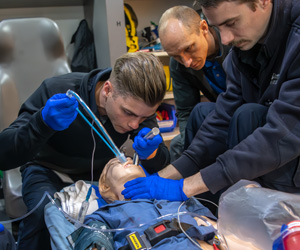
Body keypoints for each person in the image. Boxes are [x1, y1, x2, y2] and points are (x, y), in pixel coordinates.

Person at [121, 0, 300, 203]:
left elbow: (284, 131)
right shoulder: (243, 47)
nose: (224, 39)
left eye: (231, 23)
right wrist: (163, 177)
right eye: (219, 27)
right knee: (204, 113)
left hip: (288, 157)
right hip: (271, 147)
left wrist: (186, 186)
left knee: (248, 115)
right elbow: (222, 118)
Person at [0, 51, 170, 249]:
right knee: (44, 217)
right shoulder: (57, 90)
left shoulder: (139, 109)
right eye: (128, 113)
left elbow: (164, 165)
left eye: (143, 118)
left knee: (124, 221)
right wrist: (41, 124)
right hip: (48, 170)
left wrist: (153, 154)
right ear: (108, 89)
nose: (134, 124)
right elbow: (4, 155)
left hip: (101, 176)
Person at [44, 157, 217, 250]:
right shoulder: (106, 214)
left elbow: (214, 222)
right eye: (117, 163)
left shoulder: (171, 194)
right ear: (104, 186)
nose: (126, 159)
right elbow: (94, 238)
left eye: (131, 160)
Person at [158, 6, 230, 161]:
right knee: (179, 145)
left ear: (204, 28)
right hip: (221, 117)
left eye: (189, 48)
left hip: (248, 113)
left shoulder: (233, 43)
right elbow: (186, 111)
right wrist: (190, 148)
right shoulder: (179, 65)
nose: (186, 62)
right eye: (176, 56)